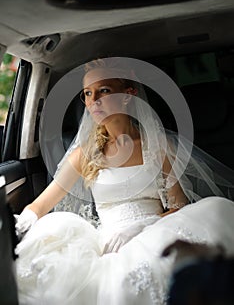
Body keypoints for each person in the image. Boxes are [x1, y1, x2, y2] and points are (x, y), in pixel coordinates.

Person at [15, 57, 234, 305]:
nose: (93, 100)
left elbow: (179, 207)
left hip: (157, 230)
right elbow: (41, 204)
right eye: (87, 93)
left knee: (215, 209)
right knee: (54, 230)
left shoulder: (159, 146)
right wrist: (24, 221)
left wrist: (143, 226)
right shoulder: (85, 154)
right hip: (109, 241)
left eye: (104, 90)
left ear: (128, 95)